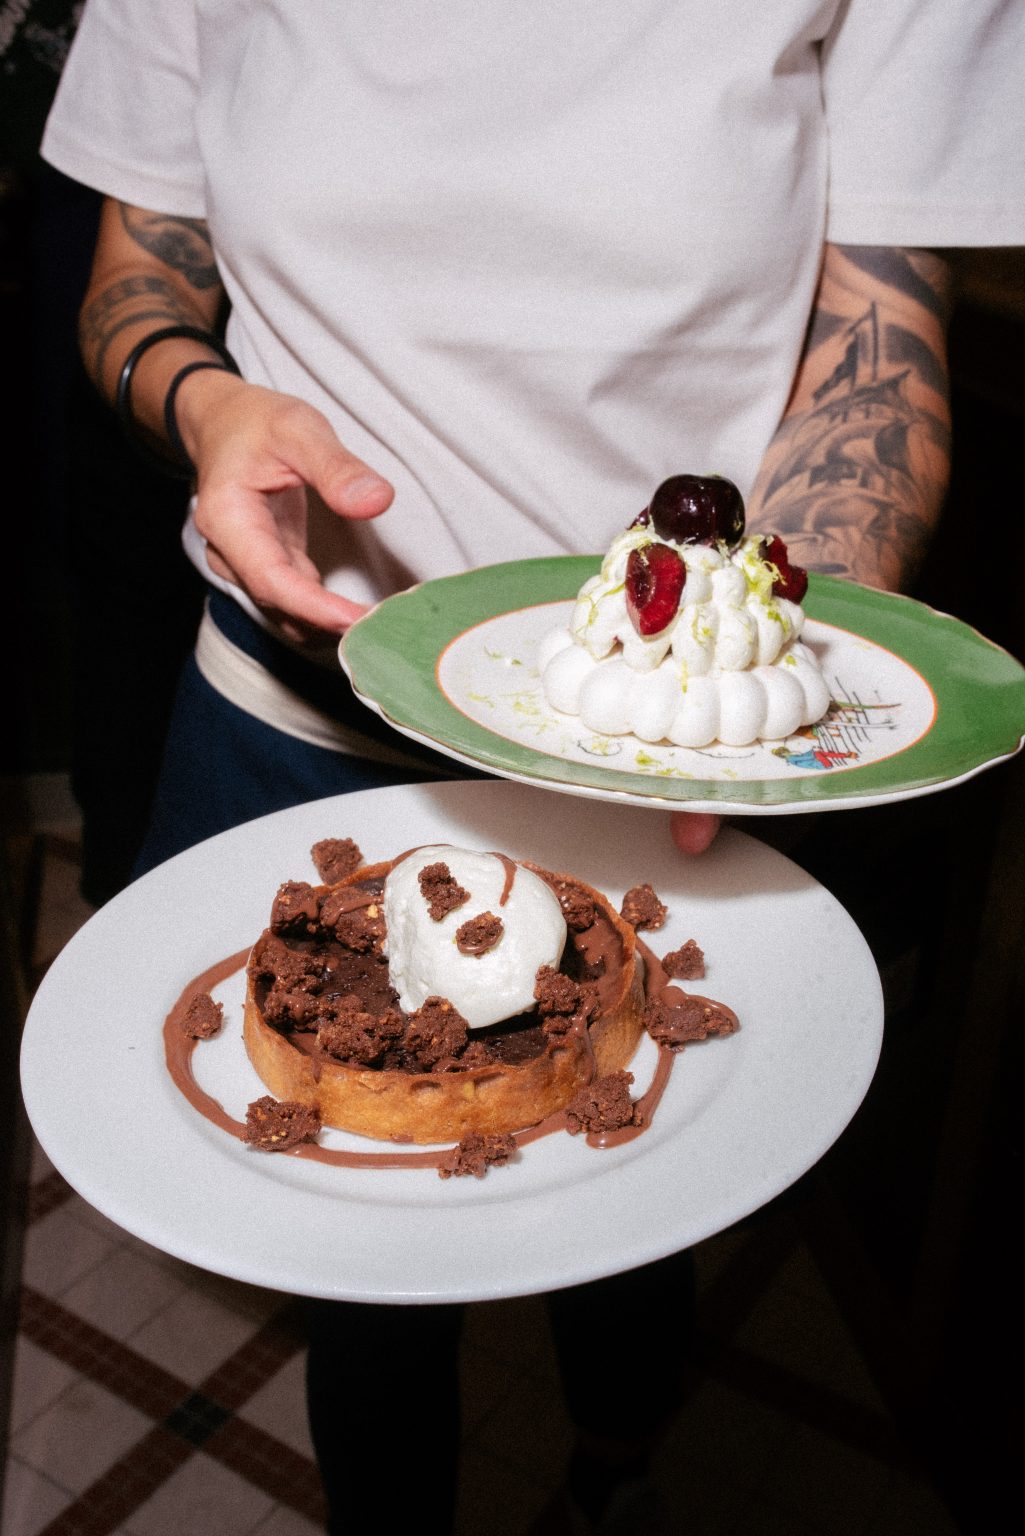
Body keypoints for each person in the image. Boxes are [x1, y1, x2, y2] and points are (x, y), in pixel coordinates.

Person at [39, 2, 1025, 1530]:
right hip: (289, 740)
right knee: (359, 1252)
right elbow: (136, 279)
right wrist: (208, 402)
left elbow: (875, 365)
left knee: (635, 1190)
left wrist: (752, 702)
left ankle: (615, 1468)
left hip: (660, 761)